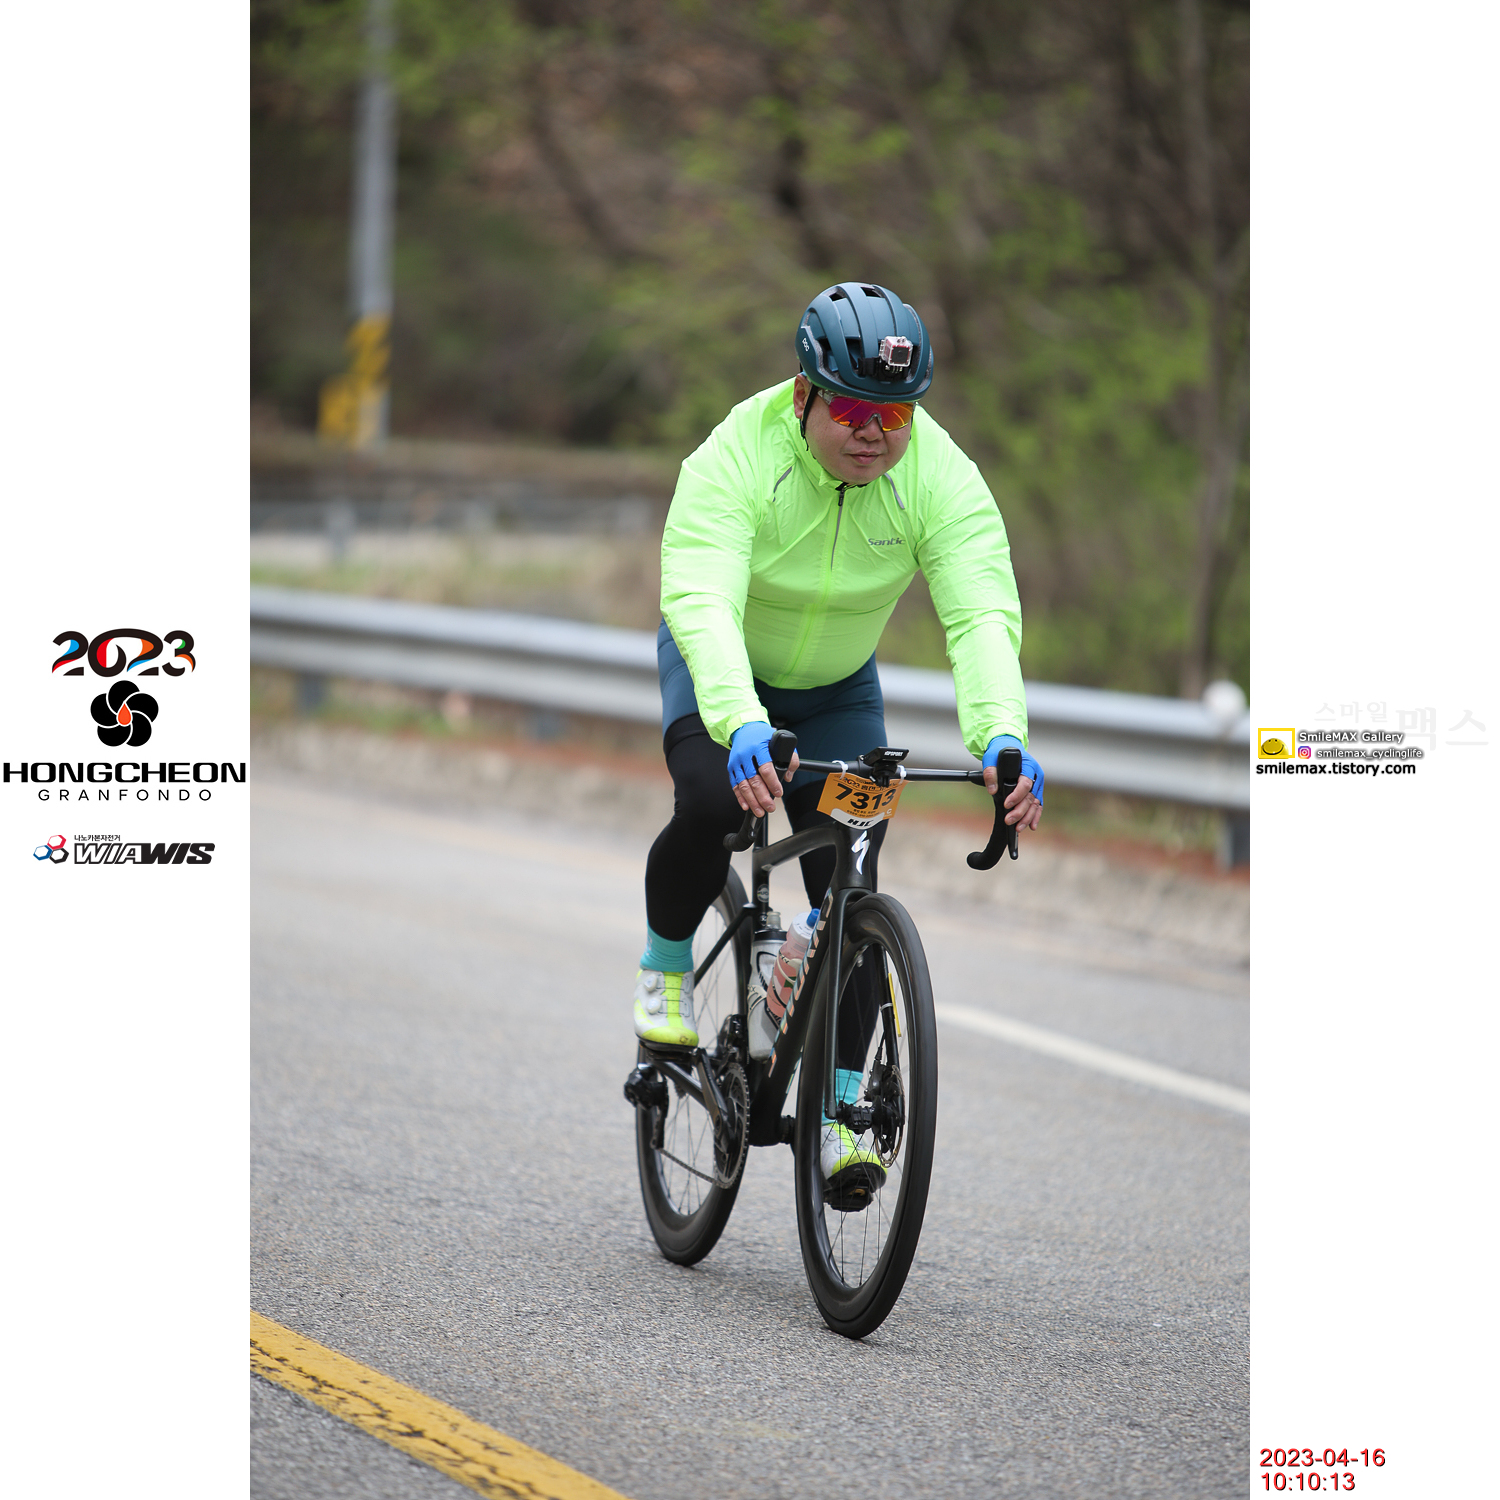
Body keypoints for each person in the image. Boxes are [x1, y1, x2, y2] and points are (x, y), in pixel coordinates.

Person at [633, 280, 1044, 1196]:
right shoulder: (735, 454)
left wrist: (1001, 737)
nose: (874, 433)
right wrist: (739, 720)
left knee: (851, 880)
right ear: (803, 395)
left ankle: (842, 1111)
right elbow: (700, 598)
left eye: (895, 415)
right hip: (721, 663)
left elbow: (980, 614)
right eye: (853, 410)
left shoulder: (939, 477)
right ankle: (664, 968)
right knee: (711, 801)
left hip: (836, 690)